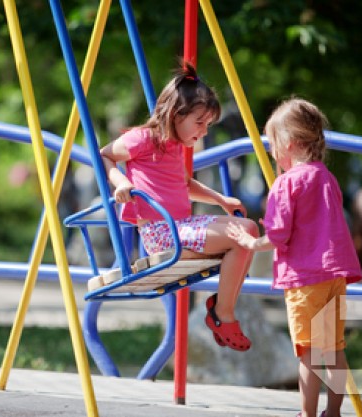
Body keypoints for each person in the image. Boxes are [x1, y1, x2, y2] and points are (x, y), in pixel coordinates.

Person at [100, 62, 259, 351]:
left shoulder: (175, 145)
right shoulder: (144, 138)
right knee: (242, 234)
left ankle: (221, 309)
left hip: (179, 228)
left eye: (208, 125)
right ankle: (222, 313)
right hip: (162, 234)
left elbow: (184, 185)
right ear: (176, 114)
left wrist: (221, 200)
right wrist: (120, 182)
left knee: (248, 231)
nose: (203, 131)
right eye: (200, 123)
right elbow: (105, 155)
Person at [225, 97, 362, 417]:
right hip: (334, 275)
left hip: (304, 279)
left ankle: (307, 413)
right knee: (334, 349)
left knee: (308, 354)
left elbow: (277, 236)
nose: (273, 151)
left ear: (290, 143)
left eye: (274, 143)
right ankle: (334, 412)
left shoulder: (286, 183)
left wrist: (249, 240)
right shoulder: (326, 177)